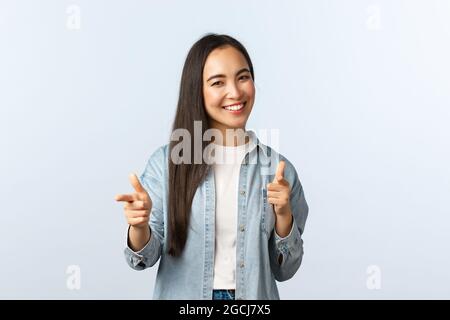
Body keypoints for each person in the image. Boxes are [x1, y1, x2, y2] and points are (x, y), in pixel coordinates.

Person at [115, 33, 309, 300]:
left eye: (243, 77)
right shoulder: (167, 164)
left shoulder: (278, 169)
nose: (235, 92)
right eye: (218, 82)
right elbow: (142, 259)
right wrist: (139, 226)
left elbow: (285, 270)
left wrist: (284, 216)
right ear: (197, 90)